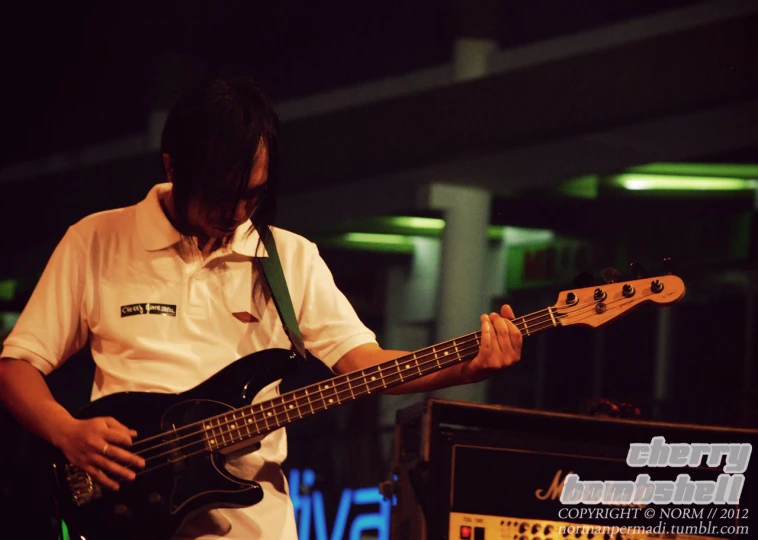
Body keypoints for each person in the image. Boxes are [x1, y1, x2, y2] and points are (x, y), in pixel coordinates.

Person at [0, 76, 523, 539]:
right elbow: (16, 365)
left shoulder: (290, 258)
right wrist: (65, 429)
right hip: (128, 513)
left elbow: (361, 364)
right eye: (220, 194)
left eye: (252, 195)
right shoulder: (96, 239)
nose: (236, 212)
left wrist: (467, 366)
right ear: (172, 166)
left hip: (254, 524)